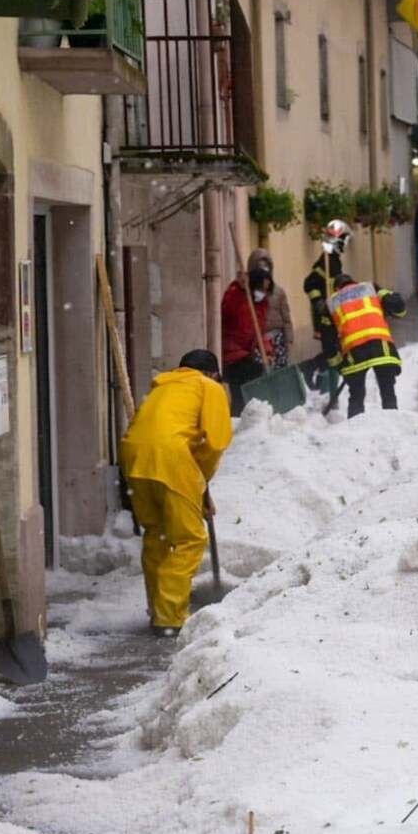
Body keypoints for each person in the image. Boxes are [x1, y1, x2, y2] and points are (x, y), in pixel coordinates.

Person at [119, 350, 233, 638]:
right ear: (212, 374)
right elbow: (215, 442)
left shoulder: (163, 387)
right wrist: (200, 480)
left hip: (134, 458)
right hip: (170, 458)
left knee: (156, 533)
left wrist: (198, 488)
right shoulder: (208, 387)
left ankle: (157, 607)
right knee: (189, 539)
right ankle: (170, 617)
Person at [327, 266, 407, 418]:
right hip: (381, 347)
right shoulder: (370, 289)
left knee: (356, 396)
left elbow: (329, 338)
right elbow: (398, 308)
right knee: (388, 392)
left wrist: (338, 364)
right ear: (354, 282)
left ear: (336, 289)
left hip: (354, 353)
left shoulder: (333, 302)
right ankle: (393, 423)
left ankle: (355, 427)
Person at [304, 220, 353, 406]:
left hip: (333, 316)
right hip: (326, 317)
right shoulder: (326, 261)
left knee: (335, 354)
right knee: (333, 354)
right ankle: (315, 371)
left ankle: (331, 395)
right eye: (344, 239)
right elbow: (310, 283)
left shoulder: (333, 260)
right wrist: (318, 302)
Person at [220, 269, 271, 415]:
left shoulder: (260, 304)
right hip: (231, 350)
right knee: (249, 373)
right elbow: (227, 309)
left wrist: (267, 351)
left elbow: (260, 332)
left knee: (254, 372)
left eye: (266, 289)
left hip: (245, 352)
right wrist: (240, 286)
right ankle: (239, 414)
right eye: (261, 288)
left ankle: (244, 412)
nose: (263, 292)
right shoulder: (236, 294)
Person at [248, 248, 295, 370]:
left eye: (266, 266)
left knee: (280, 371)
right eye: (260, 267)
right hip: (257, 341)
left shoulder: (278, 292)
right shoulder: (247, 293)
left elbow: (286, 319)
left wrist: (289, 340)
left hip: (277, 338)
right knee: (261, 372)